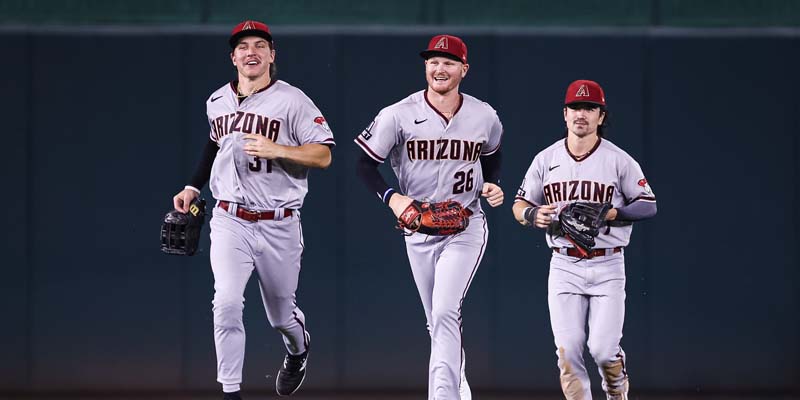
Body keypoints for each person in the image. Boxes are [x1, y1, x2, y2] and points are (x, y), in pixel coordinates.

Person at [171, 20, 335, 400]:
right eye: (243, 46)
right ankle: (231, 393)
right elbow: (214, 145)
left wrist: (279, 149)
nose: (251, 52)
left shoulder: (293, 100)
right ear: (233, 57)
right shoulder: (216, 100)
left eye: (260, 45)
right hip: (230, 219)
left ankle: (299, 349)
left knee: (282, 317)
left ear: (271, 55)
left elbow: (323, 154)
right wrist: (193, 185)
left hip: (279, 223)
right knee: (225, 302)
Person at [355, 34, 504, 400]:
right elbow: (364, 164)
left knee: (444, 313)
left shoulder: (484, 115)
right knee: (435, 321)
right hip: (417, 227)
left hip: (465, 225)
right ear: (425, 66)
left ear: (463, 70)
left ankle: (443, 395)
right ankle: (459, 383)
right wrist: (392, 198)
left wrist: (493, 184)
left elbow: (492, 154)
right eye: (433, 61)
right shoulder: (398, 114)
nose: (440, 67)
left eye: (449, 62)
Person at [512, 79, 657, 400]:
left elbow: (649, 204)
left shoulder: (618, 160)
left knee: (603, 350)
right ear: (564, 114)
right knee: (568, 350)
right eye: (575, 107)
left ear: (601, 117)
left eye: (589, 108)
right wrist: (531, 215)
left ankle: (616, 389)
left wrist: (611, 214)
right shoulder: (545, 159)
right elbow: (519, 204)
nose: (581, 113)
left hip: (608, 264)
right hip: (564, 264)